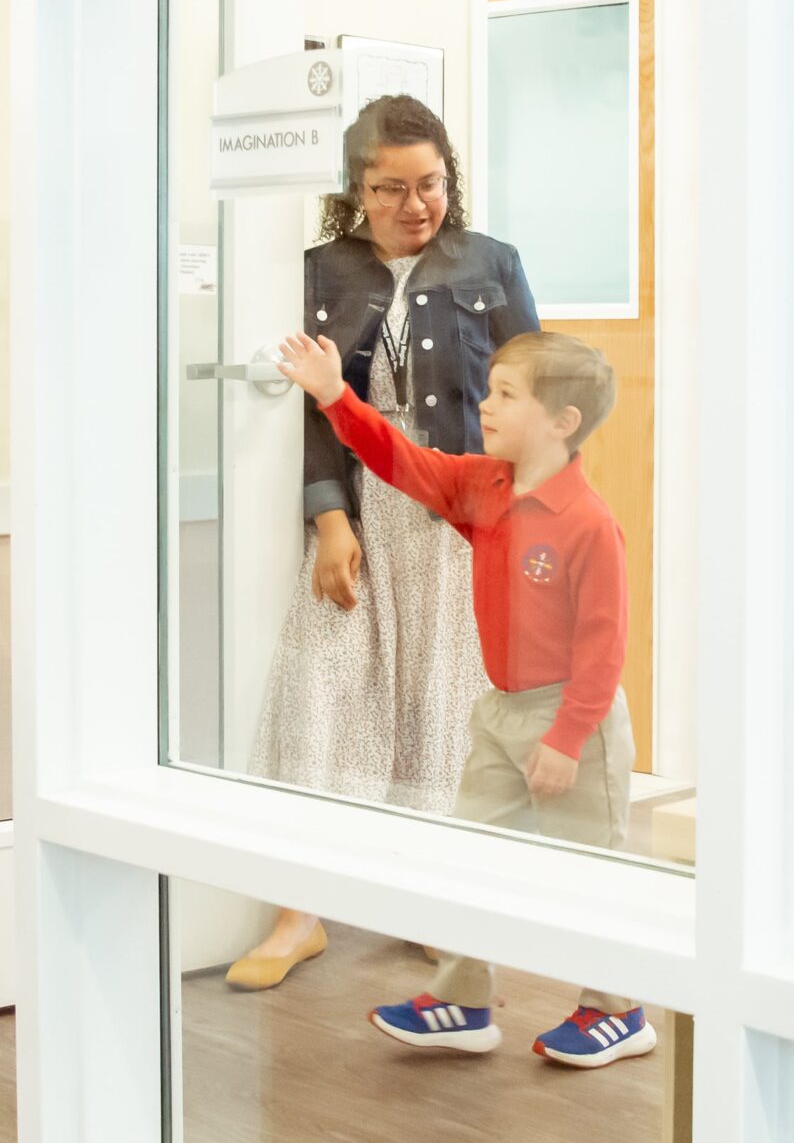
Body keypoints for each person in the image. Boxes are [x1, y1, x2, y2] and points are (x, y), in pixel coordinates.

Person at [274, 327, 656, 1069]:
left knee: (592, 871)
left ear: (561, 422)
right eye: (490, 389)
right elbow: (404, 462)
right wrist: (334, 397)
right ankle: (462, 998)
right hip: (502, 712)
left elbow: (605, 649)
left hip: (574, 720)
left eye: (506, 395)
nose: (485, 404)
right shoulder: (484, 486)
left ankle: (619, 1008)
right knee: (468, 855)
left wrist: (567, 738)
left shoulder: (587, 524)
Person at [227, 95, 539, 991]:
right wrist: (330, 519)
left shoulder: (492, 263)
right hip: (367, 502)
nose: (415, 205)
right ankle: (299, 912)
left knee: (445, 708)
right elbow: (307, 404)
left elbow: (534, 384)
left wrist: (519, 510)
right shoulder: (321, 270)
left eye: (431, 184)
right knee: (321, 687)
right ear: (354, 188)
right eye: (390, 187)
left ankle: (439, 906)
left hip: (458, 511)